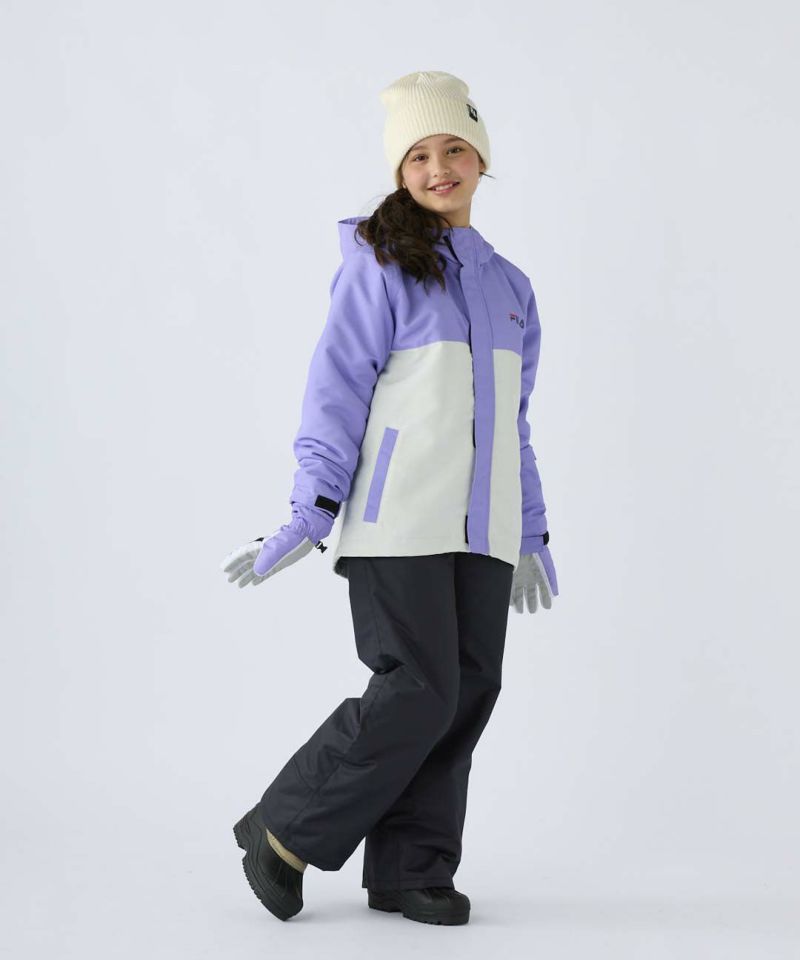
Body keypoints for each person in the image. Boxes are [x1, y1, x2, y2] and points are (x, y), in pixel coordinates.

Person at [222, 69, 559, 926]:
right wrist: (310, 510)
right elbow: (335, 391)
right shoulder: (380, 265)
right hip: (397, 522)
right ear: (399, 171)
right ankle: (284, 827)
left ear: (481, 159)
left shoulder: (512, 288)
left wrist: (531, 531)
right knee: (417, 688)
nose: (438, 167)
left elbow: (514, 423)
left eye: (454, 149)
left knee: (466, 694)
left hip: (482, 531)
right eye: (418, 155)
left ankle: (413, 870)